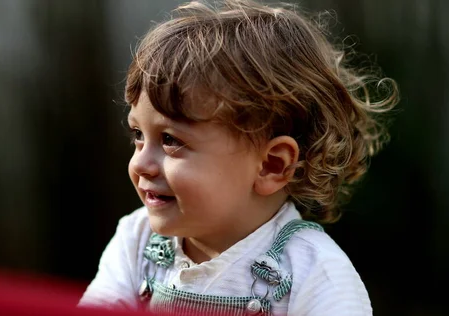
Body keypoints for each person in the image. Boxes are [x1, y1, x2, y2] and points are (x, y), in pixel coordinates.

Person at [79, 0, 398, 315]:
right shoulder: (137, 242)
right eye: (138, 135)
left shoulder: (315, 274)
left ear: (271, 165)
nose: (140, 164)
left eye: (170, 140)